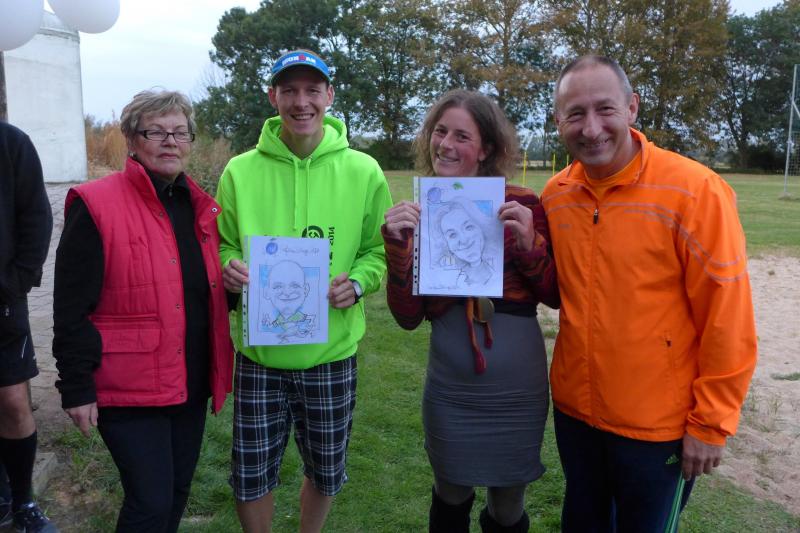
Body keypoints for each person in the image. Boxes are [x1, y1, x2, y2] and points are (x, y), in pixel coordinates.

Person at [542, 55, 757, 531]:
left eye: (605, 109)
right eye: (575, 114)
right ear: (558, 121)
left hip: (658, 429)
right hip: (576, 416)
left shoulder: (694, 191)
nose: (591, 128)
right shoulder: (556, 194)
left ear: (632, 108)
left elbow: (728, 316)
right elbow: (562, 289)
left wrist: (712, 422)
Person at [216, 49, 393, 532]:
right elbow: (223, 242)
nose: (301, 102)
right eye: (289, 90)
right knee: (251, 476)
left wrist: (358, 283)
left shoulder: (364, 170)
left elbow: (376, 250)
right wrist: (227, 265)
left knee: (326, 472)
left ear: (329, 96)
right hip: (260, 354)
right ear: (272, 96)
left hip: (330, 354)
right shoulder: (239, 171)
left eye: (312, 90)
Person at [52, 90, 233, 532]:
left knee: (175, 494)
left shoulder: (198, 207)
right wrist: (76, 386)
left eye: (180, 132)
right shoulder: (96, 204)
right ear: (132, 139)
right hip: (129, 386)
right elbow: (71, 306)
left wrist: (233, 289)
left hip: (189, 381)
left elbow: (197, 292)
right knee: (149, 503)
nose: (170, 141)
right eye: (156, 132)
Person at [383, 89, 559, 532]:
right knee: (450, 493)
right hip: (451, 390)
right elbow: (407, 318)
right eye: (440, 132)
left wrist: (529, 244)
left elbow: (555, 293)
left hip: (516, 393)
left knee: (508, 505)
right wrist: (398, 249)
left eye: (462, 136)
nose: (445, 144)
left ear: (486, 149)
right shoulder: (420, 214)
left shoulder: (523, 204)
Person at [0, 121, 57, 533]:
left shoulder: (11, 143)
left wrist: (14, 283)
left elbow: (37, 215)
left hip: (3, 302)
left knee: (13, 403)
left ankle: (24, 502)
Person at [432, 197, 501, 287]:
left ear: (481, 227)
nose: (464, 240)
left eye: (468, 227)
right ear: (446, 244)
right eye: (452, 235)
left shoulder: (497, 270)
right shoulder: (452, 278)